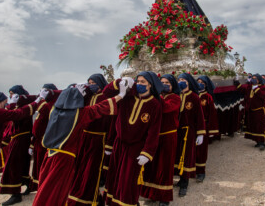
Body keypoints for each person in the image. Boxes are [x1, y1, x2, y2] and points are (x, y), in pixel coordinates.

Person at [32, 83, 125, 206]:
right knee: (57, 190)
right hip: (64, 159)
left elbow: (58, 96)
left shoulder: (55, 111)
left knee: (46, 186)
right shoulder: (78, 114)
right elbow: (100, 107)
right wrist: (121, 95)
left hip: (49, 155)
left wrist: (73, 92)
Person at [104, 72, 163, 206]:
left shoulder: (155, 104)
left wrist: (147, 152)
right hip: (119, 145)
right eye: (138, 81)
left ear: (150, 84)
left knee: (128, 181)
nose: (139, 84)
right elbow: (106, 93)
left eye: (143, 82)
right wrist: (119, 82)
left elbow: (154, 131)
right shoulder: (128, 96)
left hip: (136, 149)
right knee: (114, 177)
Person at [67, 74, 112, 206]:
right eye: (89, 82)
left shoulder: (105, 97)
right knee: (80, 168)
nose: (91, 84)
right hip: (84, 137)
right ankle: (90, 196)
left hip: (98, 138)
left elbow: (110, 122)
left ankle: (90, 198)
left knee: (92, 170)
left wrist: (109, 144)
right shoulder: (88, 97)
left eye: (94, 82)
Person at [140, 74, 181, 206]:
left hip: (168, 136)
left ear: (172, 84)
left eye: (167, 82)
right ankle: (152, 193)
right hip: (155, 136)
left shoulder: (175, 98)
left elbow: (166, 108)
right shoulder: (159, 98)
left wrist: (156, 94)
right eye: (161, 82)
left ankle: (164, 197)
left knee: (165, 167)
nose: (164, 85)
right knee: (152, 166)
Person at [0, 85, 35, 205]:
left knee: (13, 166)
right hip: (20, 138)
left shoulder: (23, 107)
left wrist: (11, 105)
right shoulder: (23, 106)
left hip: (20, 138)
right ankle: (28, 185)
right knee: (22, 164)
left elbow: (11, 115)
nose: (10, 96)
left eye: (12, 93)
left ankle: (15, 193)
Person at [174, 73, 205, 197]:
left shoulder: (194, 97)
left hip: (188, 132)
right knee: (176, 155)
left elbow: (200, 117)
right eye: (179, 79)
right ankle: (180, 178)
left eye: (183, 80)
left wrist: (200, 134)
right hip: (176, 131)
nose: (181, 81)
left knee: (186, 156)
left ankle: (184, 183)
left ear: (188, 82)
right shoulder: (176, 96)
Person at [27, 84, 60, 193]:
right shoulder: (45, 105)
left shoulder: (51, 105)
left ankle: (43, 188)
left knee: (42, 166)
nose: (42, 93)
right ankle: (34, 186)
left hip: (46, 141)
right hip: (38, 140)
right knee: (36, 166)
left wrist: (40, 100)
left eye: (45, 90)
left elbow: (46, 112)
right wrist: (32, 142)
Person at [235, 74, 265, 150]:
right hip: (251, 111)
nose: (253, 80)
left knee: (260, 127)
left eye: (255, 78)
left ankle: (262, 142)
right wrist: (237, 83)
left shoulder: (263, 88)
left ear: (258, 80)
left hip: (259, 110)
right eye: (252, 78)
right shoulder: (249, 87)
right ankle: (257, 141)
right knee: (253, 126)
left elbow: (263, 96)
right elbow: (243, 90)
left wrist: (256, 89)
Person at [195, 75, 217, 182]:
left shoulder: (208, 97)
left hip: (204, 126)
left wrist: (212, 130)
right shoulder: (194, 95)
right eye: (198, 81)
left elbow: (212, 114)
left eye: (202, 82)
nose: (199, 83)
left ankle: (201, 171)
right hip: (193, 126)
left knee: (201, 150)